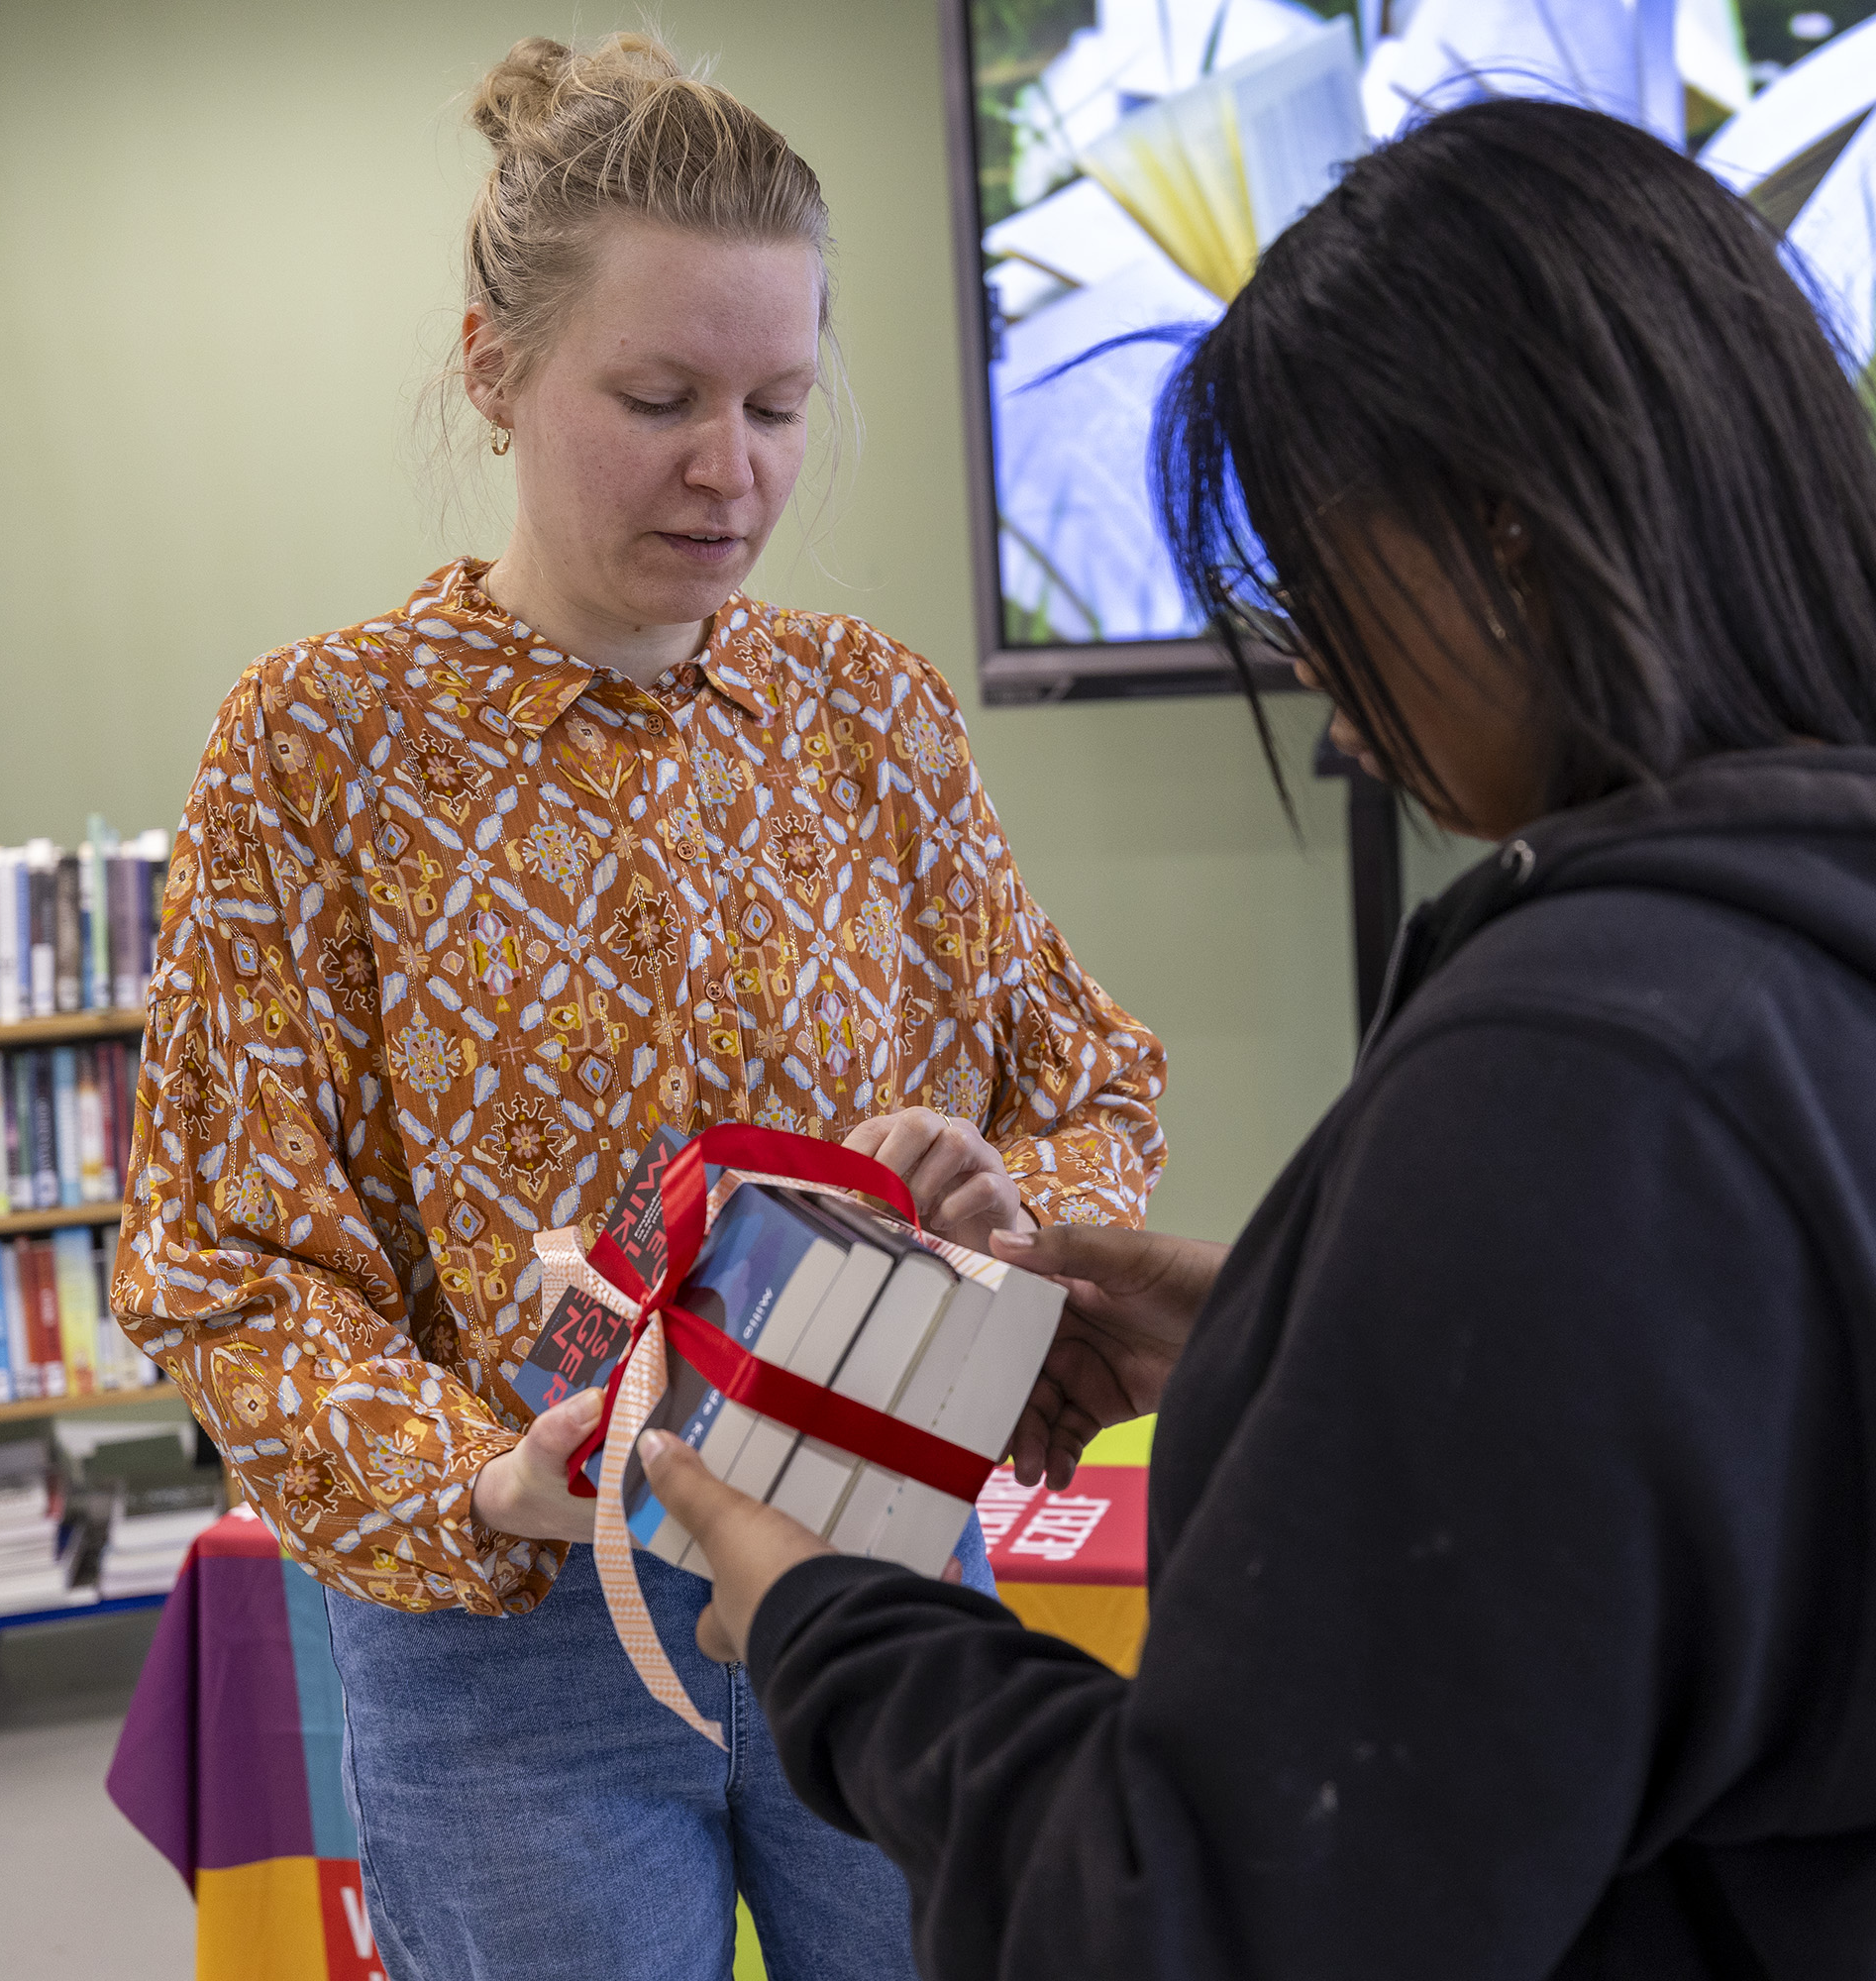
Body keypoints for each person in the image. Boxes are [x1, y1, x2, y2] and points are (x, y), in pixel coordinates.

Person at [643, 96, 1876, 1979]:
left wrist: (834, 1618)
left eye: (1313, 589)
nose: (1317, 680)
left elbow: (1193, 1927)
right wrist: (1316, 1344)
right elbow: (1781, 1477)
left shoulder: (1588, 1075)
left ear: (1507, 543)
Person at [111, 34, 1165, 1981]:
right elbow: (223, 1249)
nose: (733, 468)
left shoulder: (873, 719)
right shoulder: (322, 747)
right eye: (661, 396)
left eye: (778, 403)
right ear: (493, 368)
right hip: (512, 1643)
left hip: (874, 1579)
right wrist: (482, 1481)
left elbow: (1088, 1087)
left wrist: (1006, 1208)